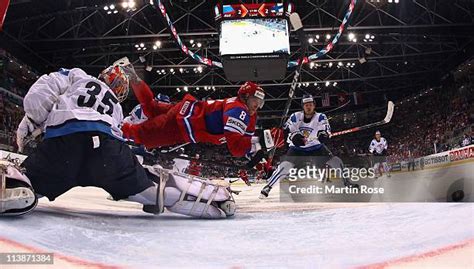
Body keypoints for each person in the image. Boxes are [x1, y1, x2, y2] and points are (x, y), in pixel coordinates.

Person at [1, 59, 235, 219]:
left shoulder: (77, 76)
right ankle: (211, 200)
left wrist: (33, 120)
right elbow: (120, 136)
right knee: (148, 186)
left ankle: (15, 185)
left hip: (64, 145)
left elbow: (42, 92)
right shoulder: (116, 107)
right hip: (108, 153)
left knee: (31, 180)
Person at [120, 66, 266, 158]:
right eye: (255, 101)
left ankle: (134, 79)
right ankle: (111, 131)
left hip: (184, 111)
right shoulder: (239, 110)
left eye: (260, 103)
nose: (257, 106)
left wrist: (260, 159)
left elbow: (246, 142)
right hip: (182, 124)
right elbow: (236, 148)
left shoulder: (246, 114)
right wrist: (264, 141)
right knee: (140, 136)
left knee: (150, 107)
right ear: (245, 96)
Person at [260, 95, 358, 198]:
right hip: (297, 149)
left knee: (336, 161)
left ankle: (347, 182)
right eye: (306, 105)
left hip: (316, 148)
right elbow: (289, 129)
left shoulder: (321, 117)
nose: (308, 107)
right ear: (303, 106)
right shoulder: (295, 116)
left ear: (314, 105)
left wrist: (323, 135)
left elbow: (325, 129)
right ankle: (268, 186)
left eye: (310, 104)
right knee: (285, 166)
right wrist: (295, 137)